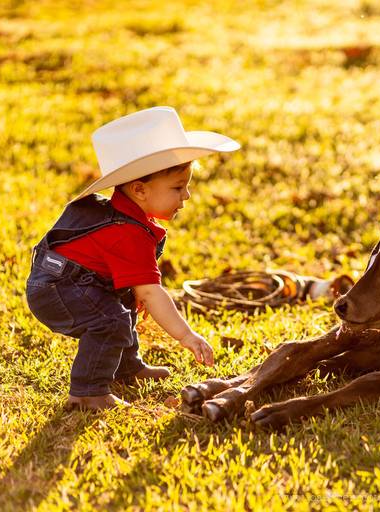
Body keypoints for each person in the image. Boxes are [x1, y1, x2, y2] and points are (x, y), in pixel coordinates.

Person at [26, 106, 240, 410]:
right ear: (139, 189)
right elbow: (151, 293)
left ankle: (126, 368)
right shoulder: (127, 233)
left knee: (123, 303)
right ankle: (87, 392)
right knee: (109, 320)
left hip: (71, 281)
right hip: (57, 289)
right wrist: (186, 336)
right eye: (178, 188)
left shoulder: (128, 218)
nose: (187, 196)